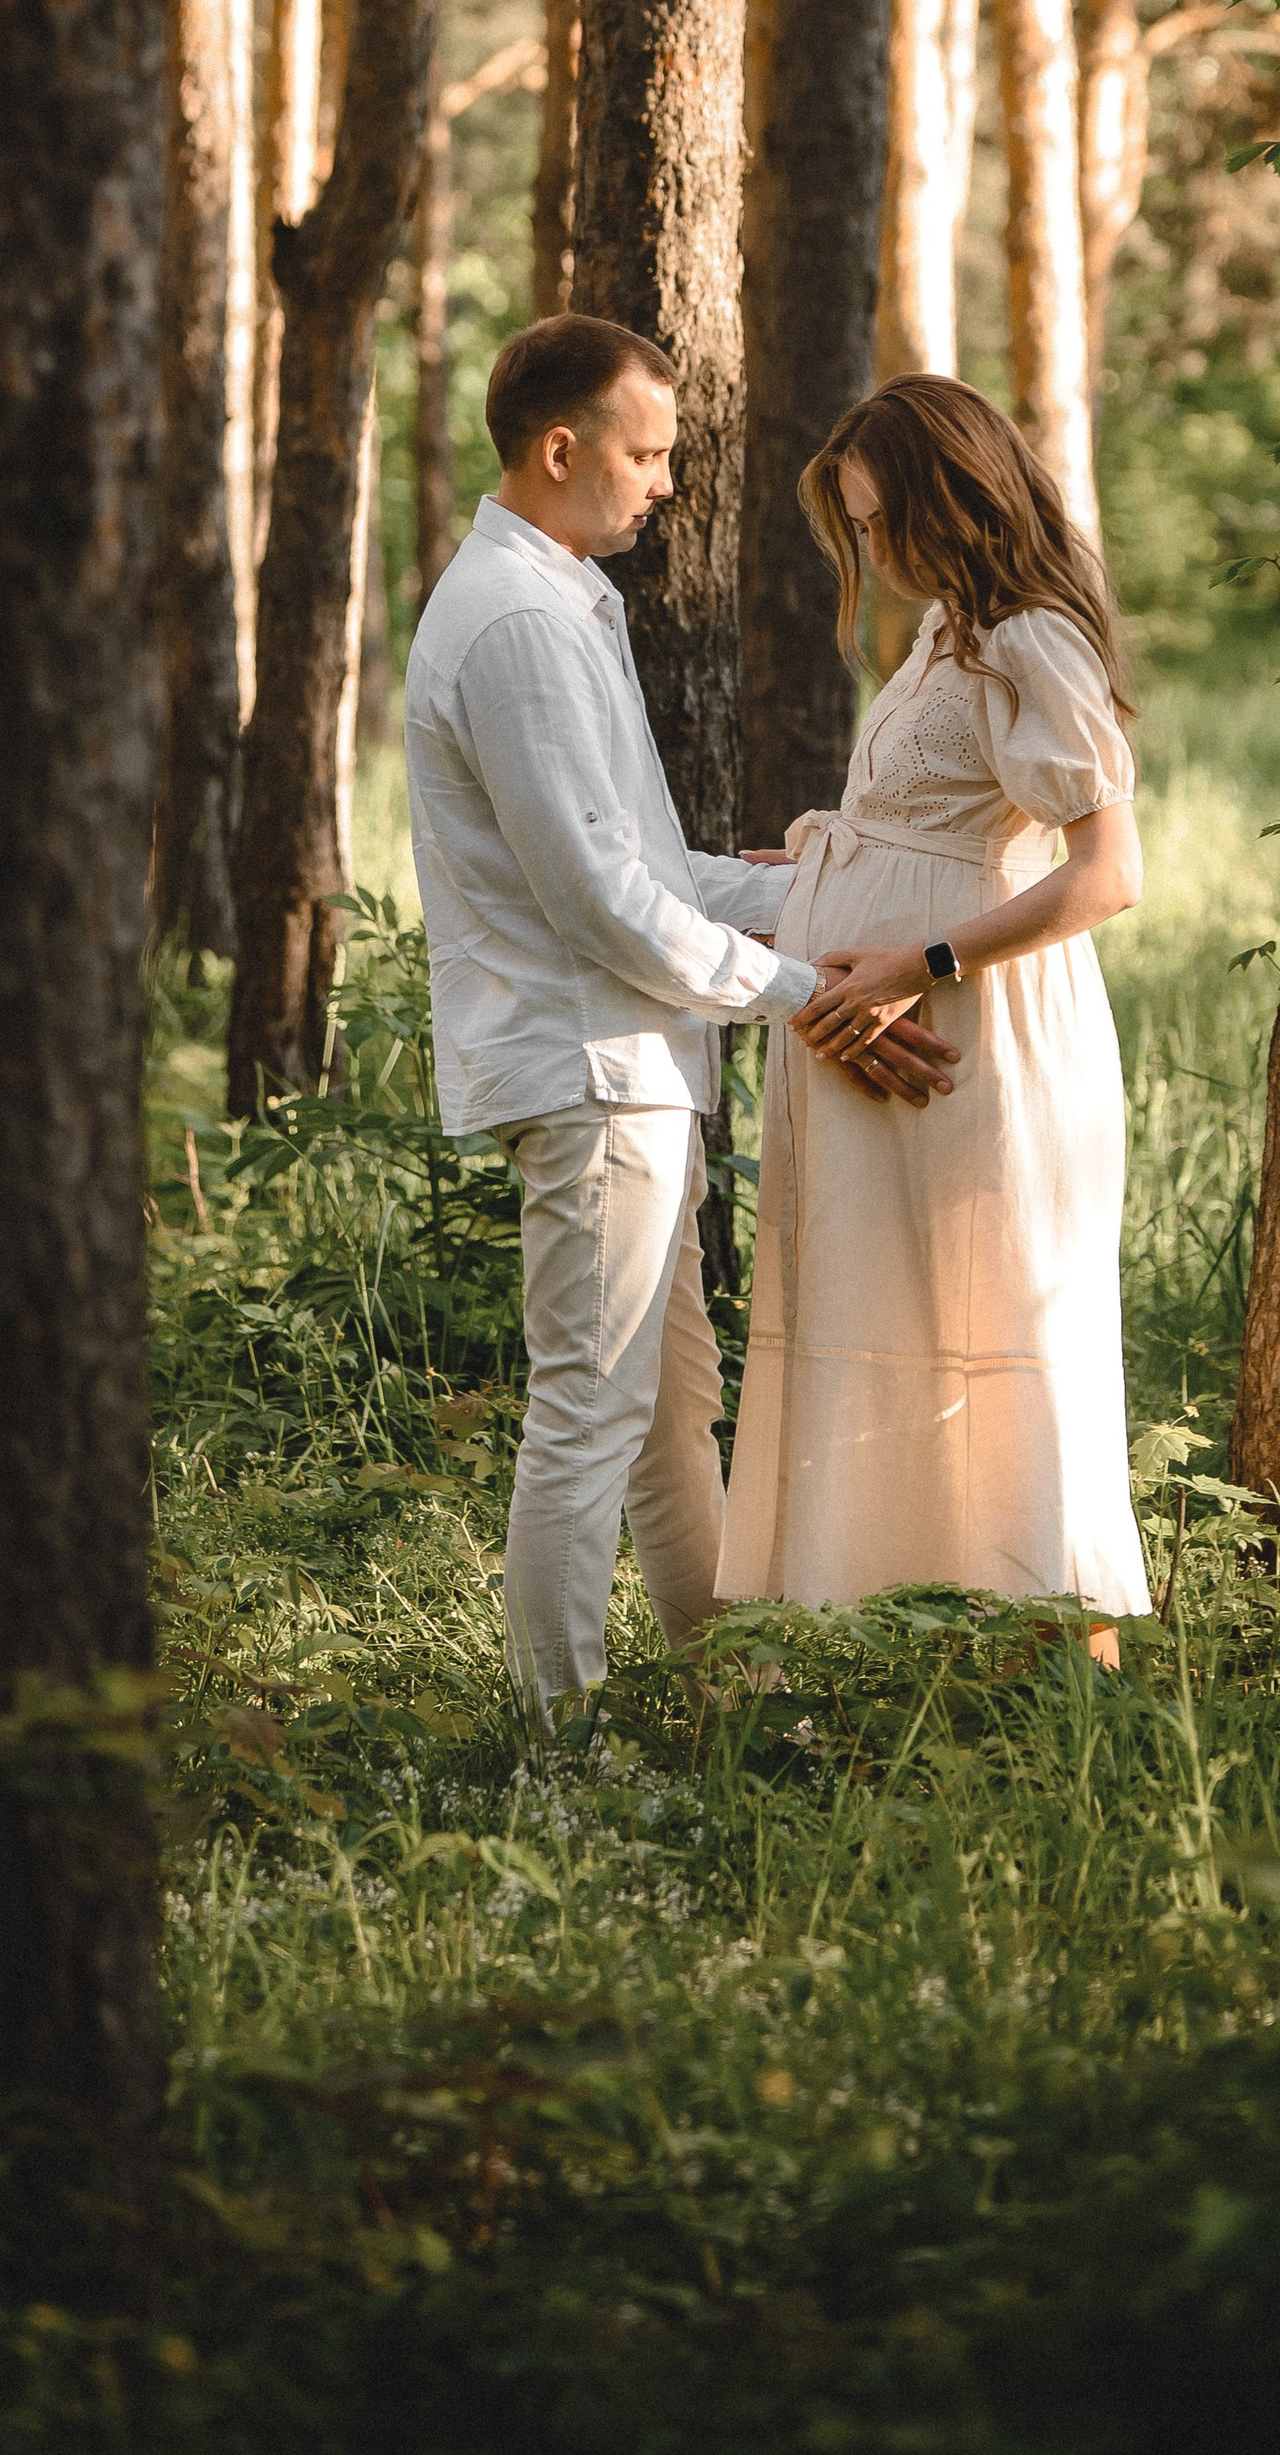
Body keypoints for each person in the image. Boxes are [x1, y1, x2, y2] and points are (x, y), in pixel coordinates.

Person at [404, 315, 958, 1726]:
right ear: (560, 449)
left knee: (667, 1412)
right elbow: (599, 903)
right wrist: (804, 997)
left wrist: (818, 890)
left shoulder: (560, 599)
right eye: (647, 454)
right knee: (590, 1414)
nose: (666, 483)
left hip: (632, 1060)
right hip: (595, 1069)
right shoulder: (519, 622)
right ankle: (557, 1746)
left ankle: (731, 1700)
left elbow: (640, 865)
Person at [717, 372, 1153, 1661]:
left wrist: (920, 958)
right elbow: (928, 824)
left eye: (880, 520)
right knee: (893, 1326)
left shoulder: (1031, 638)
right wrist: (817, 879)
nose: (873, 551)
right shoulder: (947, 633)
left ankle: (1066, 1672)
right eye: (856, 526)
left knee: (1001, 1322)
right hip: (891, 1022)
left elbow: (1108, 876)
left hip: (980, 1030)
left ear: (949, 498)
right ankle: (900, 1650)